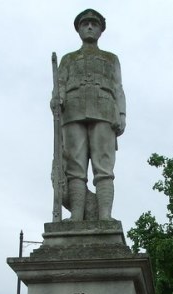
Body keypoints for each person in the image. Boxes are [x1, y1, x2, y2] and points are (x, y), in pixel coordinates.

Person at [53, 9, 126, 221]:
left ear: (101, 30)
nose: (90, 27)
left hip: (104, 112)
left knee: (104, 168)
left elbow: (118, 88)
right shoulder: (68, 59)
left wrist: (121, 114)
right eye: (85, 24)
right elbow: (60, 85)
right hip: (73, 113)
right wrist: (56, 99)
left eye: (94, 24)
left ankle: (105, 217)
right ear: (79, 29)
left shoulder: (111, 59)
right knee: (75, 168)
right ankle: (76, 215)